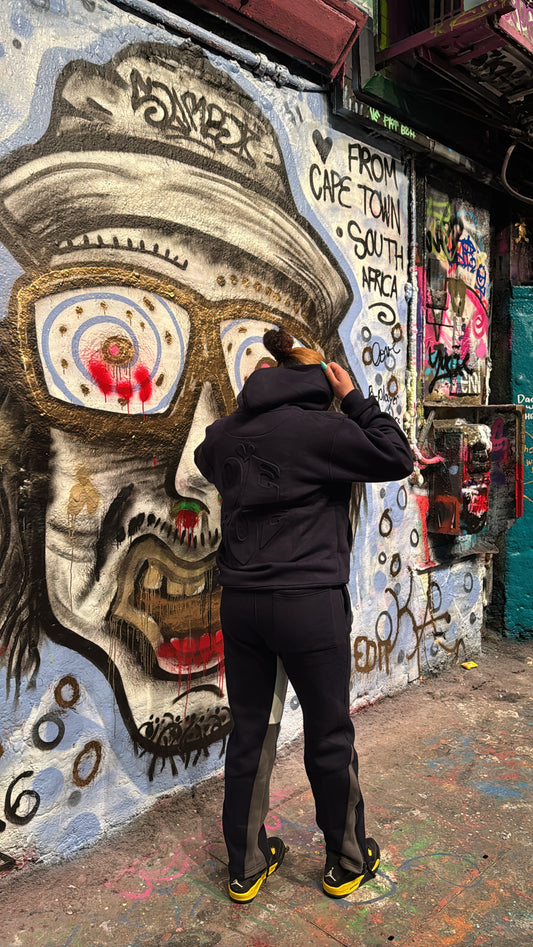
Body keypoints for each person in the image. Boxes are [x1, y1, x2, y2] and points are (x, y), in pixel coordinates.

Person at [194, 326, 414, 903]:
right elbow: (397, 455)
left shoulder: (228, 434)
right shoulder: (326, 430)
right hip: (309, 606)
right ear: (318, 379)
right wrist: (354, 399)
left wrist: (251, 405)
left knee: (250, 733)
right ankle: (346, 862)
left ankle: (245, 867)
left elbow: (206, 455)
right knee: (327, 733)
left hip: (242, 605)